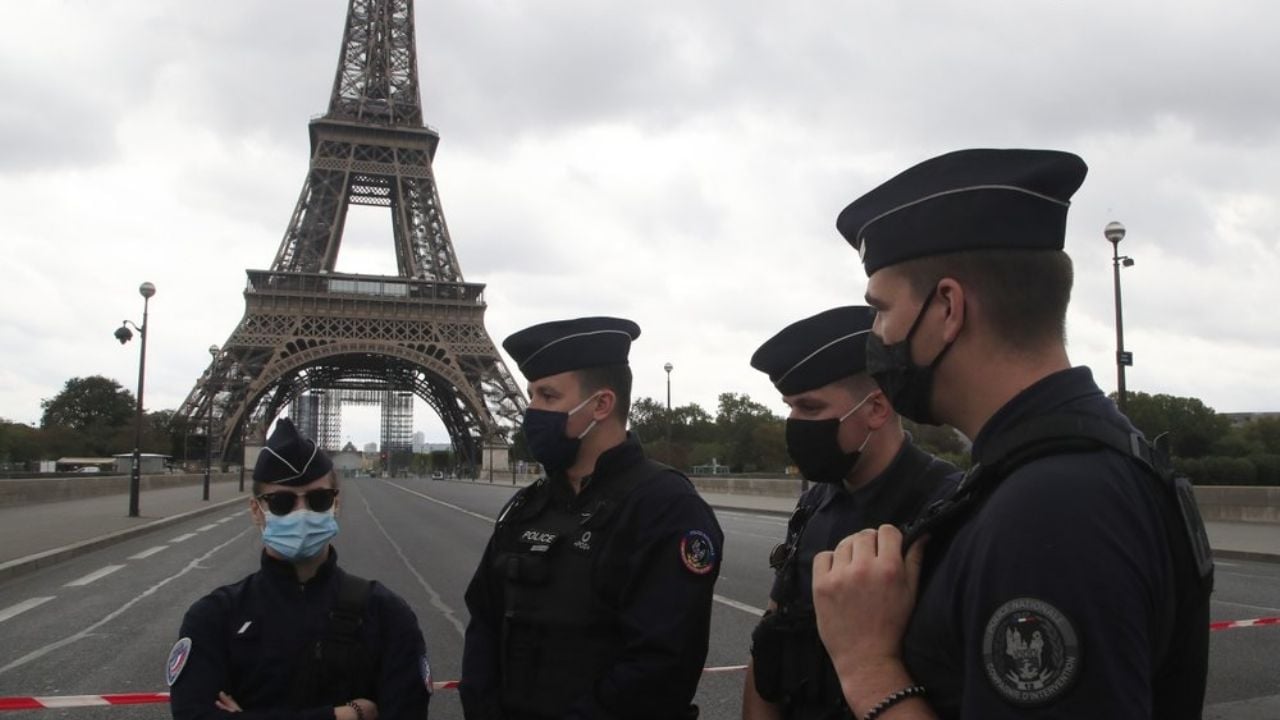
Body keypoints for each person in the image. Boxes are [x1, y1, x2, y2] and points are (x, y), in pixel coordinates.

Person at [810, 148, 1213, 719]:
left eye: (881, 310)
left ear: (947, 308)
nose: (875, 335)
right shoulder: (1064, 468)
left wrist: (867, 666)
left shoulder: (1054, 508)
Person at [460, 316, 724, 720]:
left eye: (548, 396)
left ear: (601, 404)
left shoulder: (666, 508)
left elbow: (660, 665)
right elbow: (484, 623)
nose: (531, 411)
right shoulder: (527, 506)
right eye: (531, 395)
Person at [742, 306, 957, 720]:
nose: (794, 423)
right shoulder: (814, 505)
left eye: (810, 408)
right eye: (790, 407)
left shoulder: (944, 509)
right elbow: (770, 642)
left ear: (876, 408)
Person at [168, 418, 432, 720]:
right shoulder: (212, 618)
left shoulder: (389, 615)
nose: (302, 512)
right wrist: (344, 715)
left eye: (318, 499)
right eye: (282, 502)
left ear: (335, 504)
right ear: (257, 511)